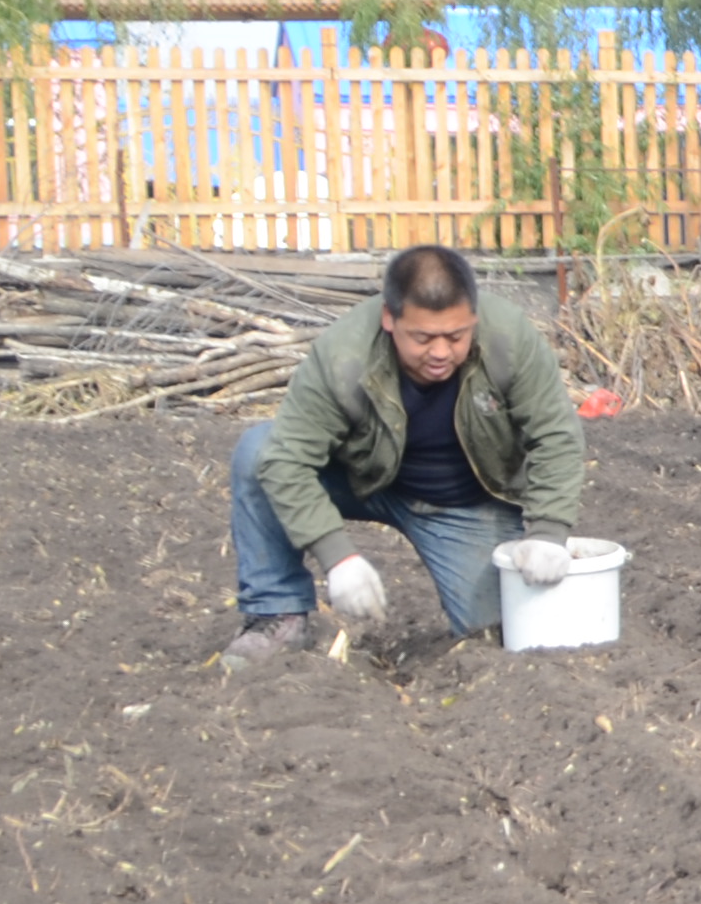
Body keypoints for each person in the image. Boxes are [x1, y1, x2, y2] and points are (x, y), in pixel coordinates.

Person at [223, 243, 589, 664]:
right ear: (389, 319)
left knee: (494, 635)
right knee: (258, 451)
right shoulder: (344, 354)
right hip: (363, 480)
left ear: (473, 316)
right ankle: (277, 613)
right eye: (422, 337)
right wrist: (337, 555)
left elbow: (556, 434)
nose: (440, 352)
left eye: (455, 336)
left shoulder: (508, 337)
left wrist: (548, 532)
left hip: (461, 504)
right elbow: (286, 458)